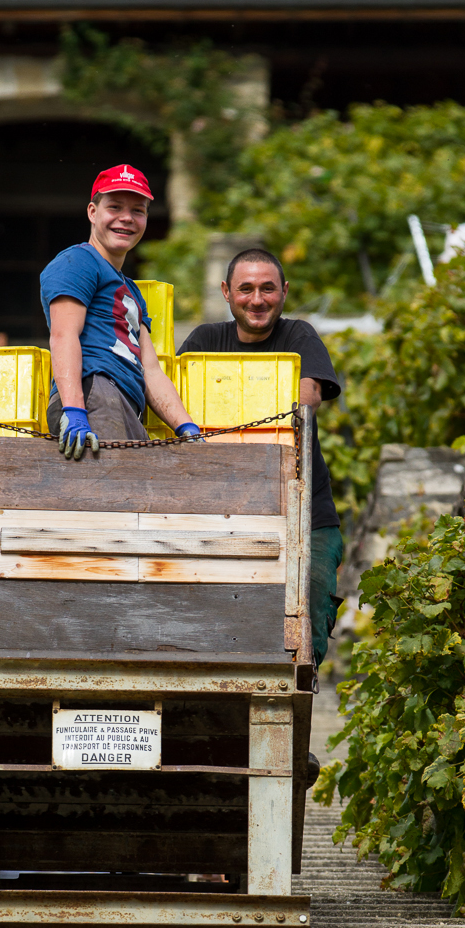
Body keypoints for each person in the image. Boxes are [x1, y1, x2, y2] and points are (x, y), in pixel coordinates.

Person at [178, 248, 344, 669]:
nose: (257, 299)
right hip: (222, 514)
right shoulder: (204, 342)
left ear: (284, 292)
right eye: (246, 289)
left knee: (306, 627)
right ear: (226, 292)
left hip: (306, 517)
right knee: (220, 624)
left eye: (268, 288)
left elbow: (304, 402)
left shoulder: (299, 336)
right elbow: (174, 408)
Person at [40, 164, 201, 459]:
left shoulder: (132, 291)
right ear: (92, 212)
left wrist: (186, 427)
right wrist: (75, 411)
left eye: (138, 211)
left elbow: (150, 369)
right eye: (114, 207)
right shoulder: (78, 262)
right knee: (109, 501)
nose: (126, 218)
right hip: (94, 396)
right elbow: (63, 336)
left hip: (125, 404)